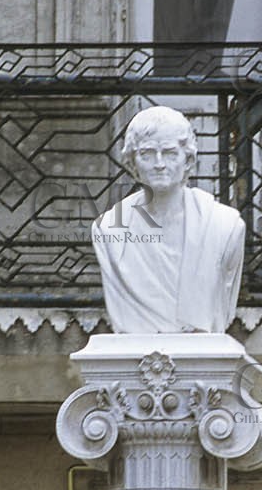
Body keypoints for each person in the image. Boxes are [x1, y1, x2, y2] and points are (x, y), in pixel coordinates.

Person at [92, 106, 245, 333]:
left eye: (170, 153)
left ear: (188, 160)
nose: (159, 163)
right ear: (132, 162)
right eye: (147, 154)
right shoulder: (109, 229)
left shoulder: (224, 226)